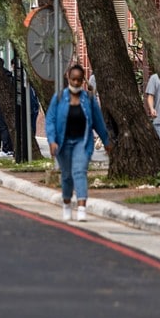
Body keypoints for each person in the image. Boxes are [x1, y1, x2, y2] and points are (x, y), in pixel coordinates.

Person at [46, 64, 111, 222]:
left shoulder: (88, 99)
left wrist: (106, 141)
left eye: (79, 80)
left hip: (82, 143)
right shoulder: (60, 98)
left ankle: (82, 207)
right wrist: (52, 141)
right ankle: (67, 203)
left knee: (80, 172)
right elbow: (50, 120)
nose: (76, 83)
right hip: (63, 143)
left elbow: (98, 122)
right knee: (67, 176)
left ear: (83, 80)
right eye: (73, 79)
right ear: (68, 78)